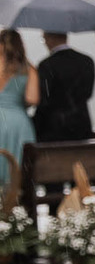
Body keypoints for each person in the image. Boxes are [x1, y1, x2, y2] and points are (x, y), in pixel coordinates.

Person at [33, 32, 95, 142]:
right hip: (81, 124)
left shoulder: (46, 65)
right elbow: (88, 93)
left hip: (53, 127)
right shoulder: (87, 61)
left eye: (44, 38)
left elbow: (43, 99)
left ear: (50, 38)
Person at [0, 30, 39, 185]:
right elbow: (32, 98)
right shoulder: (28, 69)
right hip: (18, 123)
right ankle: (15, 202)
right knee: (18, 170)